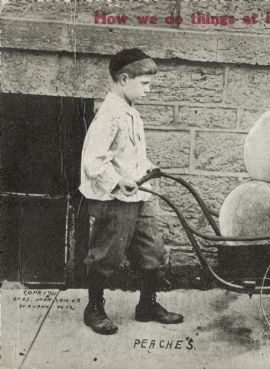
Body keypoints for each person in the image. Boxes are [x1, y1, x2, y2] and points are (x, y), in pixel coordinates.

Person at [79, 48, 183, 335]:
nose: (149, 90)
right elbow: (93, 161)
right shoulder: (110, 115)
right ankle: (94, 308)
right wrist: (115, 182)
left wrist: (149, 168)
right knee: (106, 255)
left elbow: (130, 154)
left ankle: (147, 305)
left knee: (152, 250)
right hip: (115, 199)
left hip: (140, 195)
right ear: (124, 79)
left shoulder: (131, 113)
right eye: (145, 84)